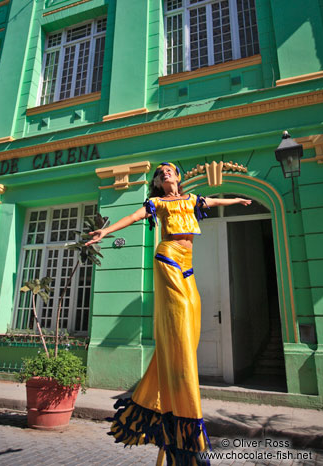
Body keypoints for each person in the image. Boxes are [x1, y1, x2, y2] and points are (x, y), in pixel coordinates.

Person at [86, 162, 252, 465]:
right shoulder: (157, 203)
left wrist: (237, 200)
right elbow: (135, 216)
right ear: (157, 182)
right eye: (160, 172)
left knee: (191, 319)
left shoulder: (191, 200)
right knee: (178, 321)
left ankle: (167, 384)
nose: (166, 173)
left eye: (170, 170)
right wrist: (106, 230)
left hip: (188, 263)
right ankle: (182, 387)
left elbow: (214, 201)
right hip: (168, 259)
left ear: (178, 177)